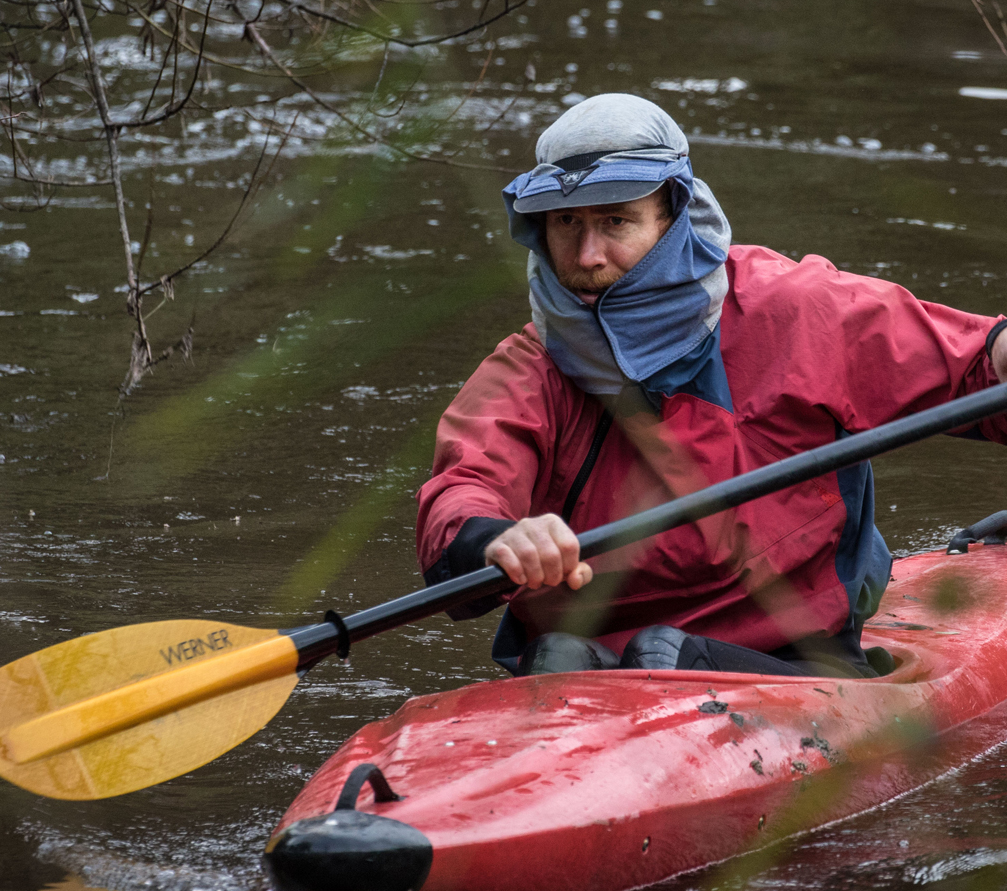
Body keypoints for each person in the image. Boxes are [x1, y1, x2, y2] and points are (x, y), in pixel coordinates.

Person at [416, 93, 1007, 680]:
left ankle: (660, 661)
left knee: (661, 653)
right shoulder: (530, 368)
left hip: (796, 661)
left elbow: (977, 372)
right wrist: (498, 539)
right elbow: (464, 490)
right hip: (580, 671)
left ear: (676, 217)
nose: (589, 255)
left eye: (615, 220)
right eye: (566, 222)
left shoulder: (799, 310)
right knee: (578, 655)